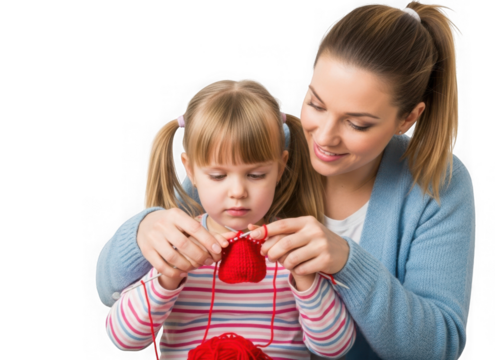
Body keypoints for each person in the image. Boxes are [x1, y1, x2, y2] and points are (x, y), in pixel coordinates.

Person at [96, 2, 475, 359]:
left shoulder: (435, 181)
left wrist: (347, 262)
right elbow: (109, 290)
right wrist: (143, 231)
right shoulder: (256, 155)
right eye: (316, 103)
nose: (324, 137)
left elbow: (439, 345)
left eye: (357, 123)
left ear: (408, 118)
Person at [102, 78, 356, 359]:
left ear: (280, 167)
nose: (237, 192)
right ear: (192, 170)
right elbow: (123, 338)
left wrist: (305, 278)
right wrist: (168, 277)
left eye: (256, 175)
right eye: (218, 176)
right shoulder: (177, 241)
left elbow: (335, 347)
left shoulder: (296, 243)